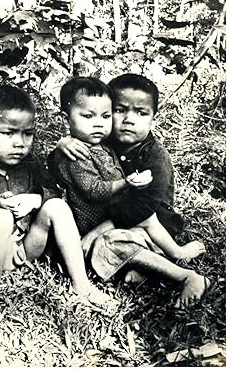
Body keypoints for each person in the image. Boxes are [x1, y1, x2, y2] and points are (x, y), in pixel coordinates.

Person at [0, 84, 114, 324]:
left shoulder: (30, 164)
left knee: (55, 205)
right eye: (8, 133)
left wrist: (36, 199)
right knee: (1, 217)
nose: (20, 143)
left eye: (28, 133)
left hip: (27, 248)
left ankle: (82, 285)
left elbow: (53, 190)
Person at [50, 74, 209, 308]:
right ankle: (141, 268)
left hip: (155, 227)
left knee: (107, 242)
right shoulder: (103, 141)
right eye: (119, 110)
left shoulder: (155, 157)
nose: (128, 120)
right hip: (118, 223)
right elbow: (61, 171)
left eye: (141, 113)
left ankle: (187, 276)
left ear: (154, 117)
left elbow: (144, 207)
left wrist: (97, 231)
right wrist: (62, 145)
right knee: (85, 246)